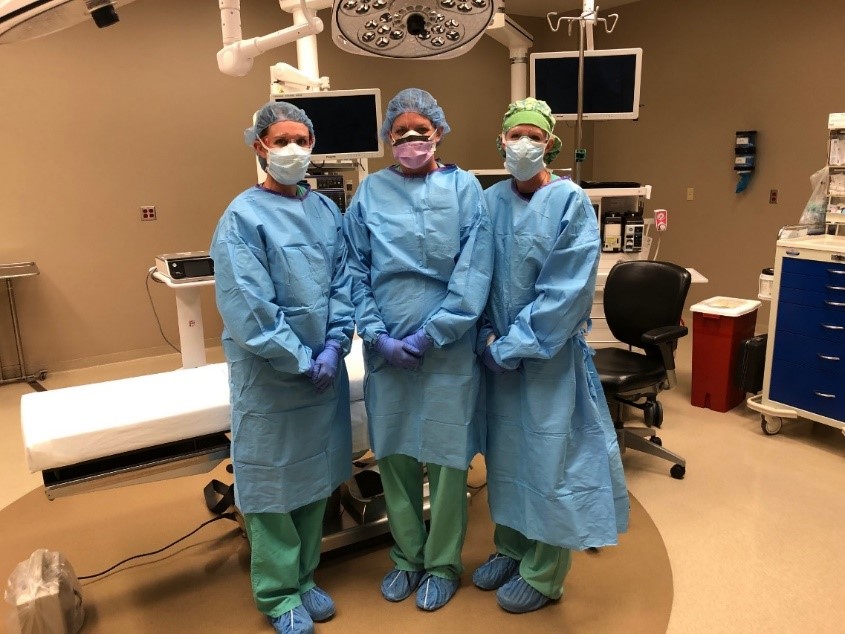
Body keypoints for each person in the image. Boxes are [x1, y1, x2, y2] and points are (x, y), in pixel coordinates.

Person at [472, 97, 630, 614]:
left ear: (550, 145)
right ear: (500, 142)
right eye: (515, 135)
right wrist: (485, 336)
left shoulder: (571, 203)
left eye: (534, 137)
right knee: (506, 459)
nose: (523, 144)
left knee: (549, 463)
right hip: (497, 357)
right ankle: (512, 548)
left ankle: (543, 572)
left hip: (549, 360)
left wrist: (511, 346)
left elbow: (565, 295)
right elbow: (475, 275)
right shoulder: (489, 201)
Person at [342, 88, 493, 612]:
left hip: (447, 349)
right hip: (386, 349)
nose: (410, 139)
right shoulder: (370, 192)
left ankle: (444, 563)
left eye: (420, 131)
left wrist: (435, 333)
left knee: (448, 460)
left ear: (439, 133)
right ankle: (407, 556)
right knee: (395, 454)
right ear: (388, 138)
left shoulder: (465, 189)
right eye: (400, 132)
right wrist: (377, 334)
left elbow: (474, 271)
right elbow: (353, 269)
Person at [210, 101, 355, 634]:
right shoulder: (241, 218)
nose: (293, 150)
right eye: (281, 141)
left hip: (323, 370)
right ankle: (277, 593)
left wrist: (335, 345)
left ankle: (305, 575)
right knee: (272, 484)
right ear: (260, 147)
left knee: (314, 477)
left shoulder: (326, 213)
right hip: (270, 376)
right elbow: (249, 307)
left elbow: (343, 283)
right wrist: (299, 357)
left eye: (301, 140)